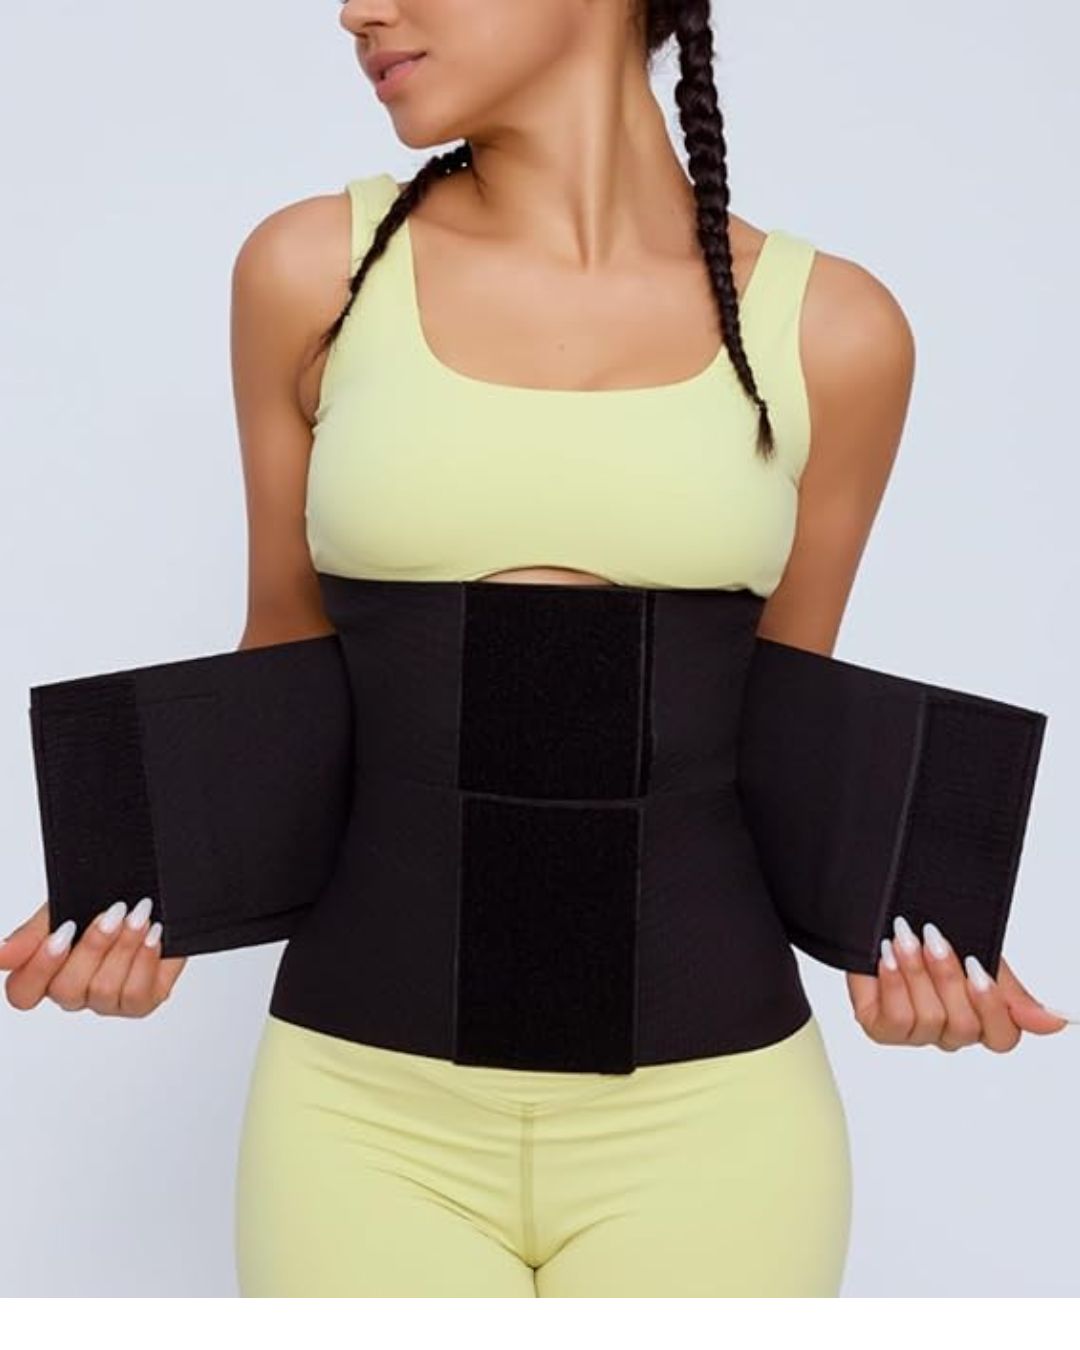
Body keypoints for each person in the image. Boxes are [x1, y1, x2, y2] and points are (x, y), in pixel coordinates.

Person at [3, 0, 1069, 1299]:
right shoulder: (311, 274)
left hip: (714, 1122)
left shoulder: (834, 331)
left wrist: (906, 954)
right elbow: (283, 654)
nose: (357, 9)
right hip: (359, 1113)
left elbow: (782, 734)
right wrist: (153, 892)